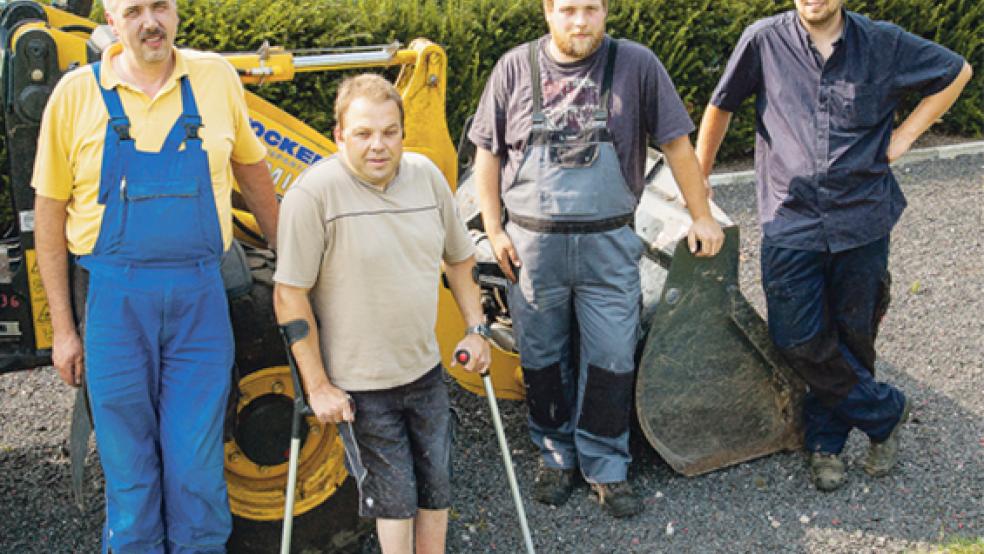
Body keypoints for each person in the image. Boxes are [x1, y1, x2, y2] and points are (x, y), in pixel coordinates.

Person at [32, 0, 280, 550]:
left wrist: (293, 269)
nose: (151, 21)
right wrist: (65, 331)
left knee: (197, 468)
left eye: (161, 6)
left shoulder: (215, 80)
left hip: (199, 299)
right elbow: (48, 218)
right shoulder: (74, 97)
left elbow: (253, 171)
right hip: (114, 304)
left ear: (176, 13)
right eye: (134, 9)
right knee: (129, 470)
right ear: (112, 19)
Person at [695, 0, 972, 492]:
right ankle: (885, 411)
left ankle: (826, 444)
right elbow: (721, 106)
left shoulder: (882, 42)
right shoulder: (763, 40)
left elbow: (958, 70)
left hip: (862, 217)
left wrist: (906, 135)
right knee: (795, 337)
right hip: (789, 219)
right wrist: (698, 183)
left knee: (853, 334)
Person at [469, 0, 724, 517]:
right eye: (567, 10)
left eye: (590, 8)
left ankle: (606, 465)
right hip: (532, 249)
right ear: (548, 12)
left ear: (605, 11)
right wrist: (494, 229)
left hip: (609, 247)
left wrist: (702, 216)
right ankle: (555, 455)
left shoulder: (637, 65)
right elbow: (487, 154)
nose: (579, 21)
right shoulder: (515, 68)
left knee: (611, 358)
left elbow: (677, 145)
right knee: (541, 359)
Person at [273, 73, 491, 554]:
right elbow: (289, 295)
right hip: (361, 385)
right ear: (338, 135)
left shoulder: (427, 178)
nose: (378, 146)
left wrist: (476, 330)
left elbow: (460, 258)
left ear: (402, 133)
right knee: (394, 500)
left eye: (389, 132)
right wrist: (318, 386)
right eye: (363, 133)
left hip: (424, 370)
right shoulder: (314, 195)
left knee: (436, 486)